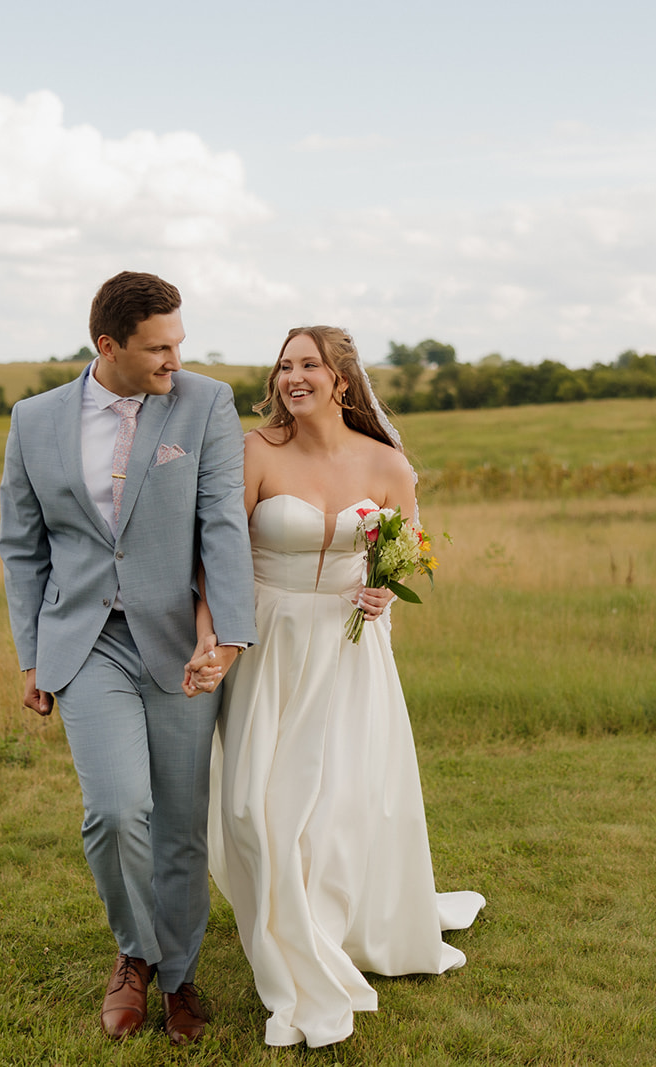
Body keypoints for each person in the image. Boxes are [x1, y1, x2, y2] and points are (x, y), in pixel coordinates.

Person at [197, 325, 485, 1049]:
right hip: (269, 640)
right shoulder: (255, 452)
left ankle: (325, 931)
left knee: (342, 802)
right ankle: (291, 936)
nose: (294, 377)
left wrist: (385, 589)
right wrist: (213, 635)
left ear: (341, 380)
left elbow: (409, 547)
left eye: (309, 365)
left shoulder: (388, 464)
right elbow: (218, 554)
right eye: (285, 365)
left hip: (351, 652)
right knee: (253, 807)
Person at [0, 271, 257, 1045]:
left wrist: (230, 634)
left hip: (179, 642)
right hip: (83, 642)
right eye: (159, 347)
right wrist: (30, 657)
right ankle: (136, 954)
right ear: (107, 345)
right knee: (116, 811)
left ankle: (179, 977)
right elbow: (22, 545)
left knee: (179, 821)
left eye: (179, 343)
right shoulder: (34, 419)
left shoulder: (204, 403)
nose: (175, 359)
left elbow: (221, 524)